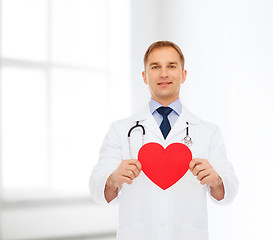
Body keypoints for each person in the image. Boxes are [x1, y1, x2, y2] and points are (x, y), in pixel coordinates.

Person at [89, 41, 238, 240]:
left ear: (183, 75)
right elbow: (96, 188)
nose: (164, 74)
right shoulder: (120, 129)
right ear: (144, 76)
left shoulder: (208, 131)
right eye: (155, 66)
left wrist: (217, 181)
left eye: (172, 66)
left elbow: (229, 190)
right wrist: (113, 179)